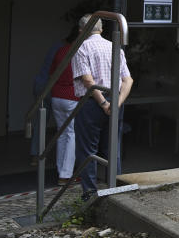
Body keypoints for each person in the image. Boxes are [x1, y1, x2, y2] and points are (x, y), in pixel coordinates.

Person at [73, 14, 134, 199]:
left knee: (87, 149)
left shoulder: (81, 47)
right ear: (101, 29)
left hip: (91, 103)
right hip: (115, 101)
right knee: (112, 147)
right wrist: (115, 104)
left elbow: (87, 80)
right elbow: (128, 79)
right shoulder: (114, 46)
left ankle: (90, 192)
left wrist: (103, 103)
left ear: (81, 30)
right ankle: (115, 190)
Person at [49, 25, 80, 185]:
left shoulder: (61, 51)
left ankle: (60, 169)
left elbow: (52, 73)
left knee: (61, 133)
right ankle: (66, 174)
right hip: (72, 97)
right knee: (71, 134)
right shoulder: (79, 52)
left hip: (57, 96)